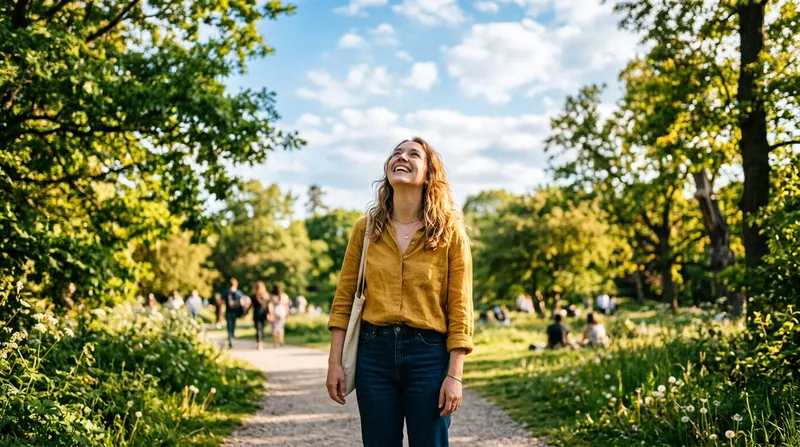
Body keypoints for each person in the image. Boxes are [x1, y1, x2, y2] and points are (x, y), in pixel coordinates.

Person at [325, 136, 474, 447]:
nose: (402, 157)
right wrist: (334, 362)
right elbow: (343, 300)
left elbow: (460, 309)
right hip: (373, 356)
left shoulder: (449, 233)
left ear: (429, 175)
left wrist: (455, 375)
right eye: (397, 152)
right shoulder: (365, 229)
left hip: (429, 357)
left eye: (413, 154)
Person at [223, 278, 243, 348]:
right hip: (235, 311)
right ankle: (232, 336)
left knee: (229, 325)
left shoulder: (226, 292)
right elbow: (242, 302)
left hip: (228, 311)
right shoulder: (239, 293)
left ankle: (230, 337)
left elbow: (222, 302)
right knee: (233, 324)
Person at [252, 281, 270, 350]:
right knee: (261, 328)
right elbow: (268, 305)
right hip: (263, 313)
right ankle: (261, 342)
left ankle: (259, 342)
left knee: (258, 328)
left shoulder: (255, 296)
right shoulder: (265, 295)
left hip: (257, 313)